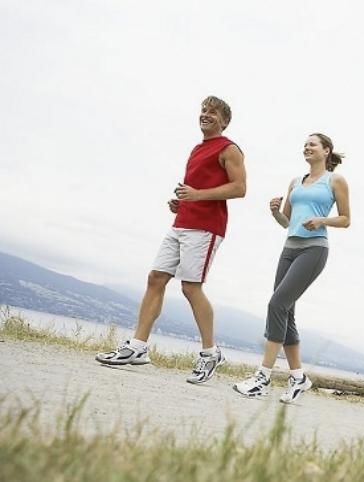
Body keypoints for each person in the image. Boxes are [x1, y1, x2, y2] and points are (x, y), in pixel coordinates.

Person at [95, 96, 246, 385]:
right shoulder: (197, 149)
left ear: (224, 121)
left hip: (206, 227)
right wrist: (181, 202)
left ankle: (210, 353)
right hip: (182, 222)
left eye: (212, 112)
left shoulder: (230, 149)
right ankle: (138, 348)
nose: (205, 115)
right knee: (155, 278)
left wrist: (197, 196)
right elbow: (195, 187)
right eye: (203, 110)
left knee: (190, 287)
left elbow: (239, 188)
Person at [233, 133, 350, 403]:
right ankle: (298, 378)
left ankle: (262, 377)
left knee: (276, 305)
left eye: (313, 144)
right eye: (305, 144)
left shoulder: (335, 181)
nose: (307, 147)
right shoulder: (296, 182)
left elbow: (346, 219)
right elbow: (287, 221)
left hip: (314, 250)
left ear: (326, 151)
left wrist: (322, 220)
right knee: (286, 313)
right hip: (289, 249)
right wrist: (275, 212)